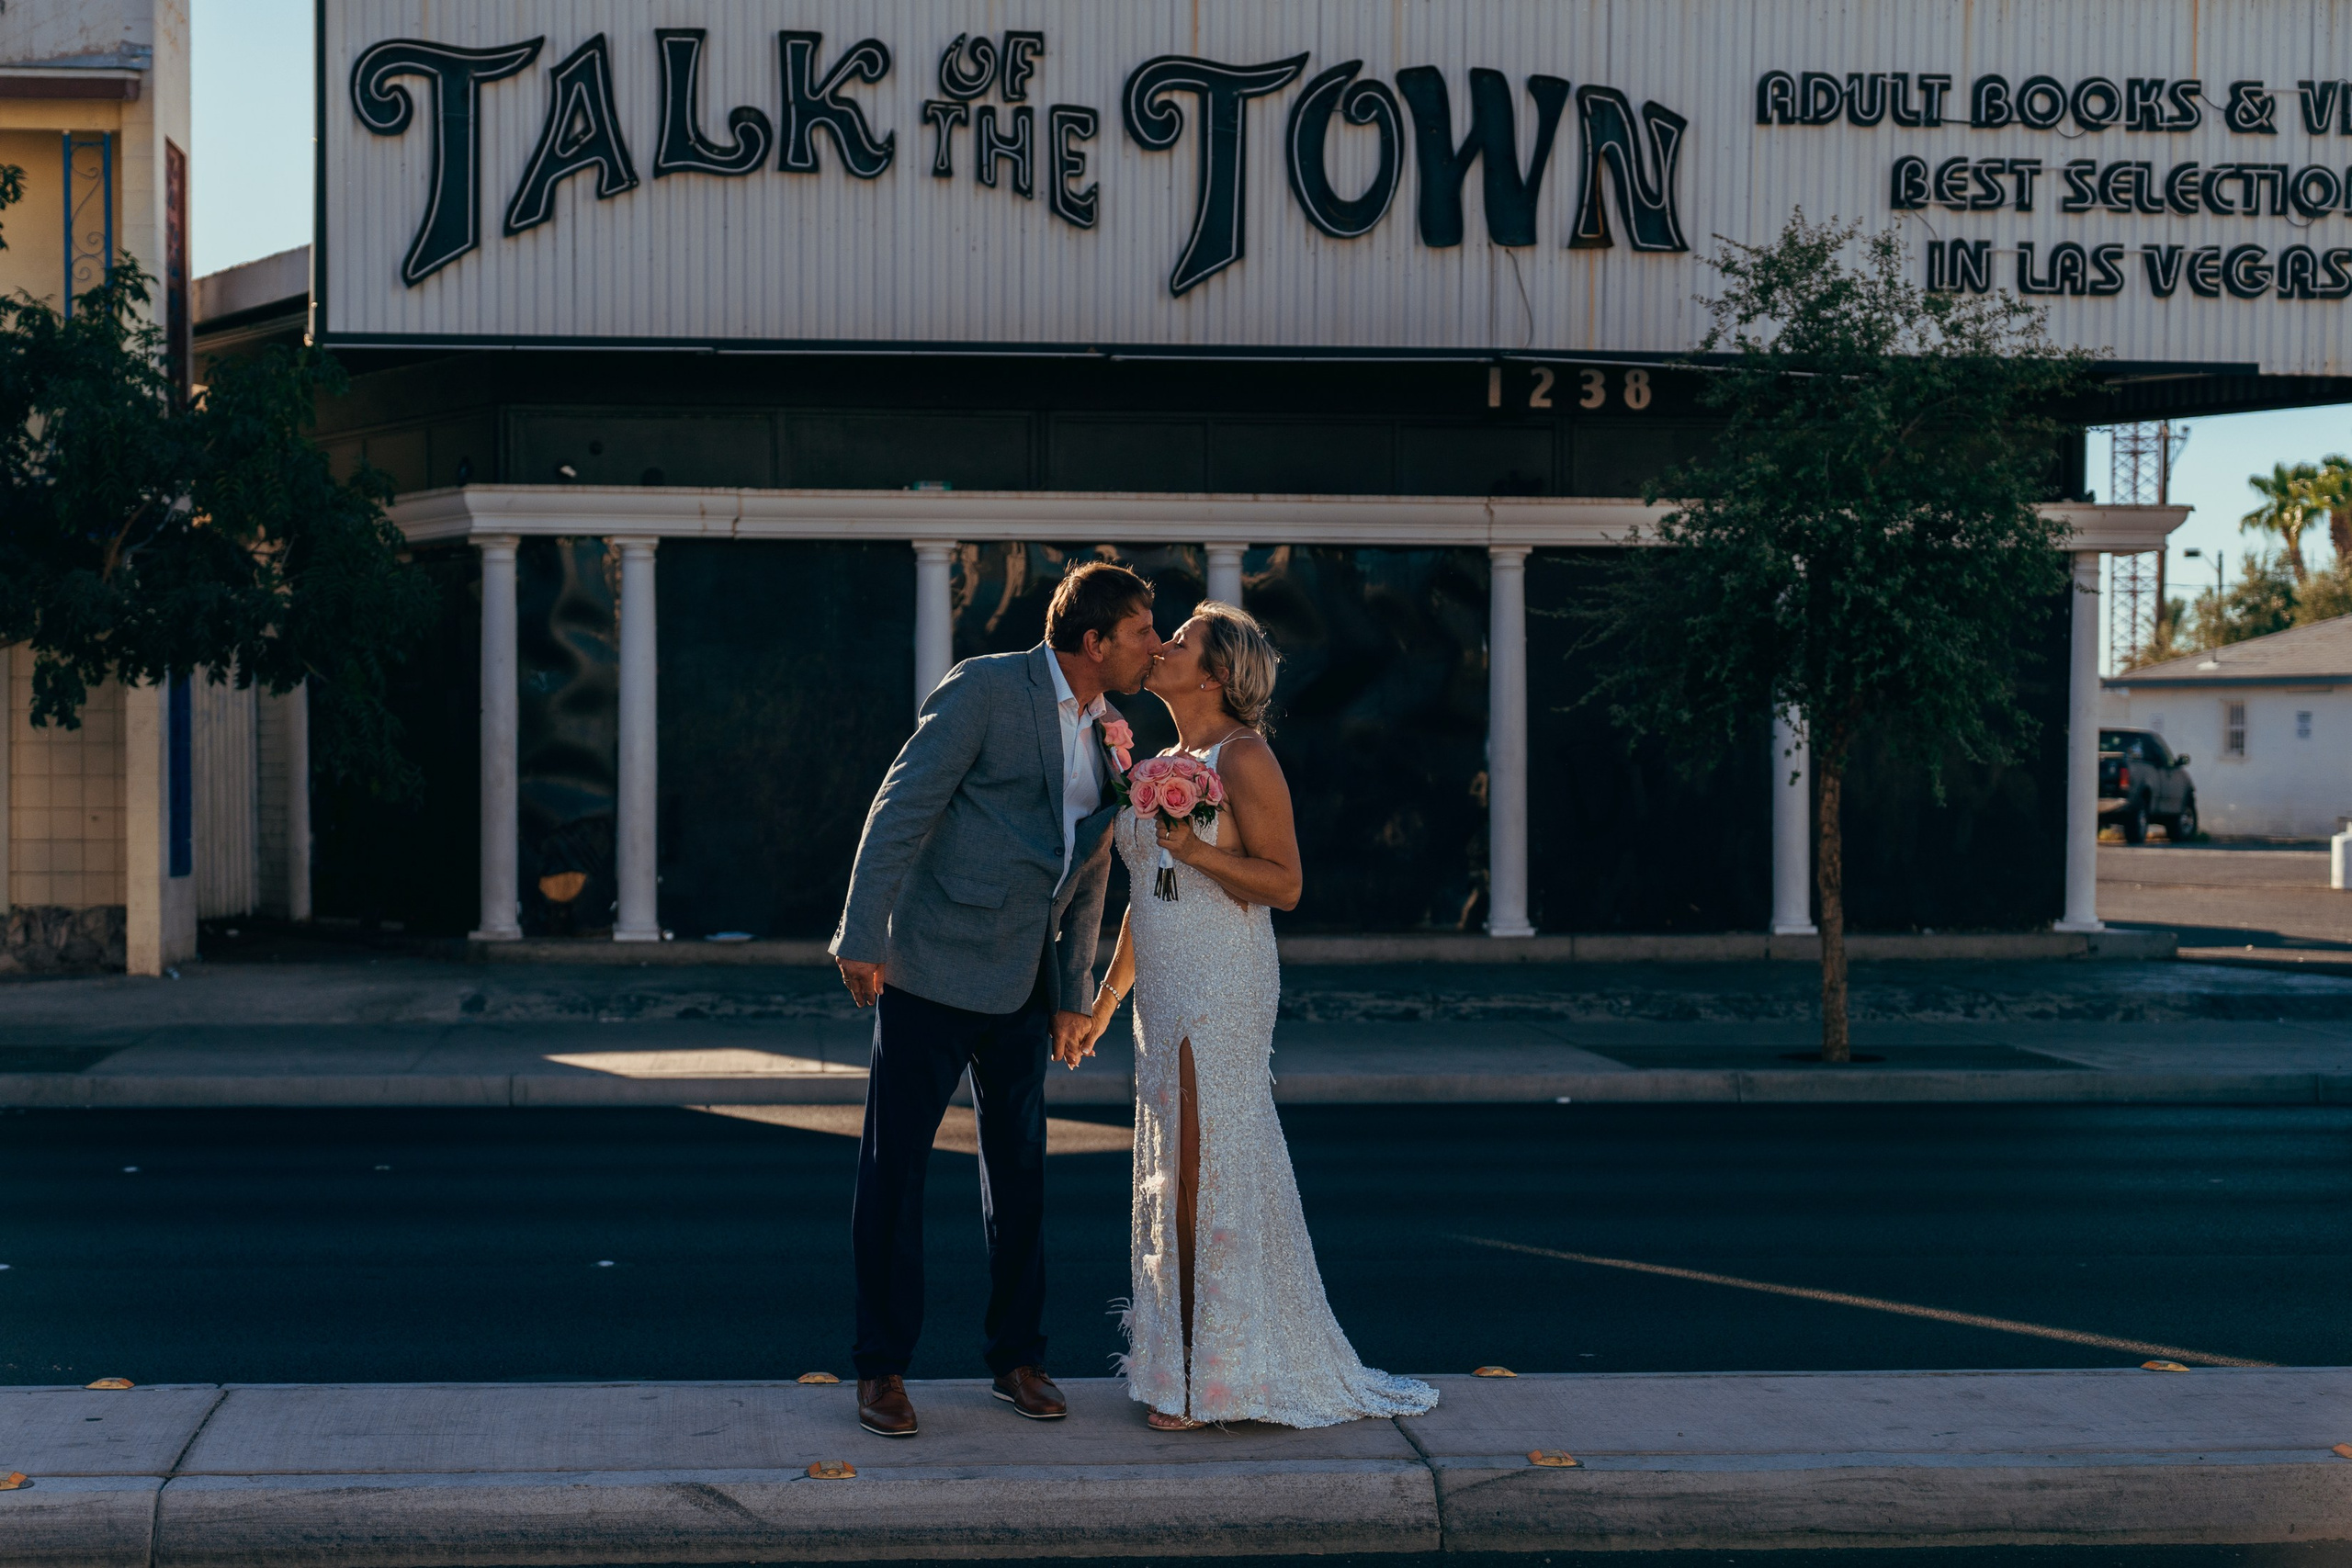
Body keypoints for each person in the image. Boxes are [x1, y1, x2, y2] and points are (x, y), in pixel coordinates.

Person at [1086, 603, 1438, 1430]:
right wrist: (1104, 1002)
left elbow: (1285, 883)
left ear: (1212, 674)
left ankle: (1212, 1377)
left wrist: (1198, 847)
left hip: (1225, 979)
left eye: (1179, 641)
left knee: (1203, 1168)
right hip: (1164, 987)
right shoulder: (1163, 760)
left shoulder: (1244, 758)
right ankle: (1179, 1361)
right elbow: (1148, 898)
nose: (1163, 646)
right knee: (1167, 1163)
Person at [831, 561, 1162, 1438]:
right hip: (930, 968)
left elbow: (1089, 871)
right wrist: (861, 933)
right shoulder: (984, 688)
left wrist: (1072, 993)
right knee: (893, 1173)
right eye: (1141, 632)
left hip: (1022, 982)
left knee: (1019, 1178)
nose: (1153, 646)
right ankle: (883, 1369)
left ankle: (1018, 1358)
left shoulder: (1112, 732)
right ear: (1094, 642)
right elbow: (899, 807)